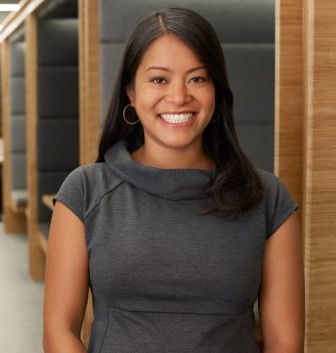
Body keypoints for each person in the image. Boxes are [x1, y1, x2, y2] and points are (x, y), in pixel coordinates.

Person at [43, 6, 304, 353]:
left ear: (216, 90)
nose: (179, 96)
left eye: (197, 78)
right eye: (158, 79)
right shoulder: (85, 191)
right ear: (131, 94)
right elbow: (58, 332)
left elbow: (284, 342)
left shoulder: (268, 198)